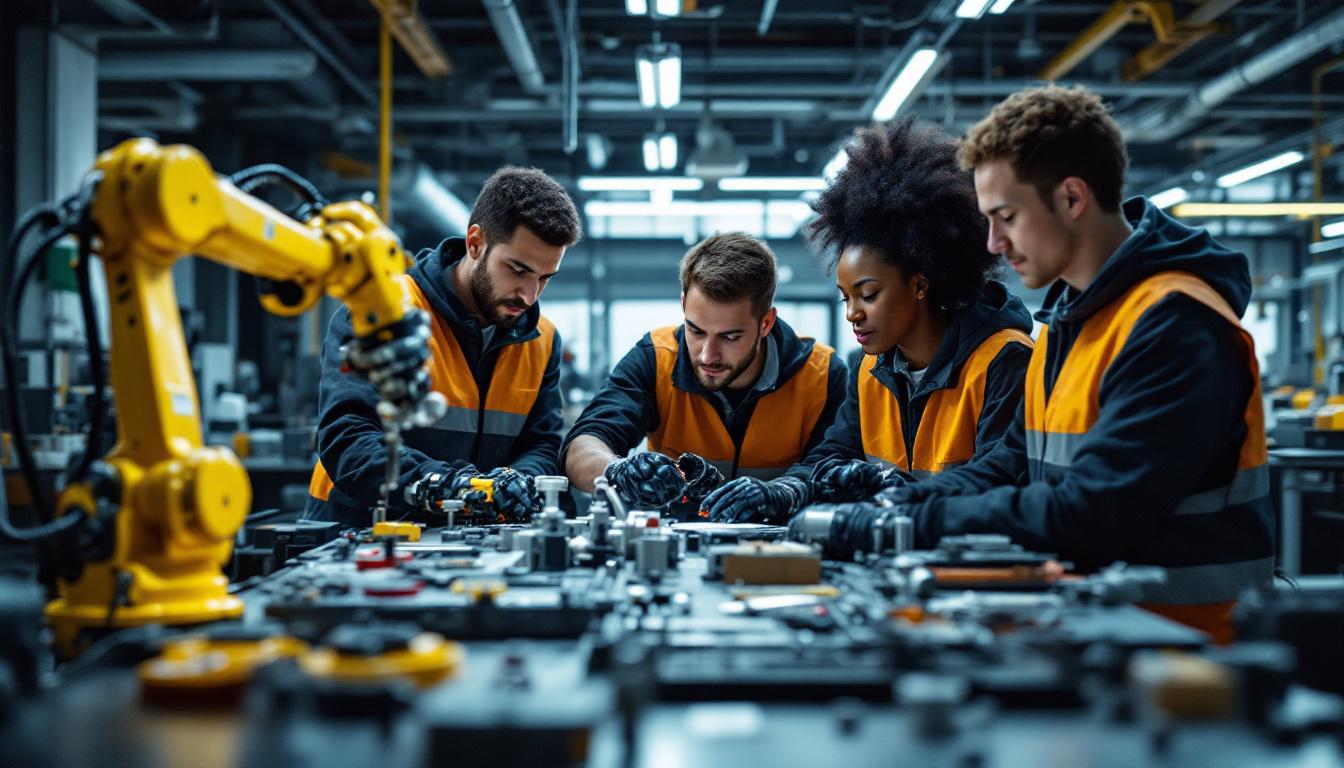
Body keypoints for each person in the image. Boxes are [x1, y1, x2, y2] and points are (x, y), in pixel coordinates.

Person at [794, 86, 1273, 643]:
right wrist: (899, 499)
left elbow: (1091, 512)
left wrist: (904, 524)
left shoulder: (1175, 324)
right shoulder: (1068, 324)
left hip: (1192, 647)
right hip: (1102, 633)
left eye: (1006, 218)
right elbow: (1010, 464)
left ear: (1072, 198)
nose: (994, 244)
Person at [704, 118, 1033, 523]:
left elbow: (997, 477)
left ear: (919, 285)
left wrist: (892, 490)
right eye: (846, 298)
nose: (852, 313)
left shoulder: (1005, 360)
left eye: (869, 294)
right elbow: (833, 454)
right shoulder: (870, 369)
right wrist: (782, 492)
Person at [305, 167, 580, 526]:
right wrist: (452, 487)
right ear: (475, 243)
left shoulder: (541, 339)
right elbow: (349, 439)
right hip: (358, 534)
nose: (529, 296)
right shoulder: (383, 311)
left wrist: (515, 485)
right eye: (518, 270)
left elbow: (541, 445)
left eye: (545, 278)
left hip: (467, 541)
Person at [563, 232, 846, 519]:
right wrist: (616, 470)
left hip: (784, 552)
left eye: (730, 337)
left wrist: (784, 491)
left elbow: (833, 470)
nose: (708, 355)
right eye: (696, 331)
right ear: (684, 304)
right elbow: (581, 446)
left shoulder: (822, 375)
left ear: (766, 323)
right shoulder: (655, 358)